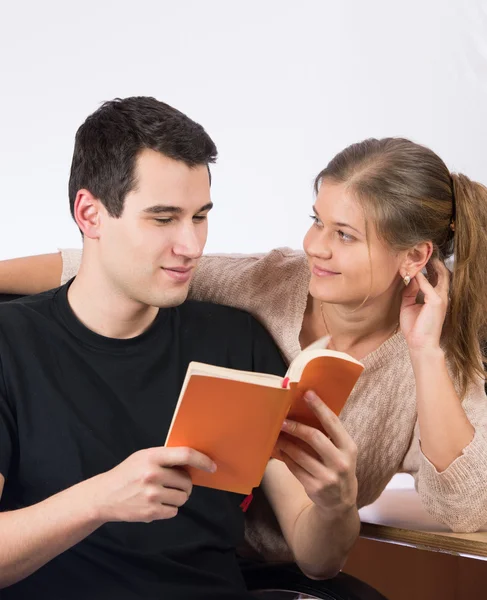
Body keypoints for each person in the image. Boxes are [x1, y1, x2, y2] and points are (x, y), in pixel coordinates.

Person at [1, 137, 487, 562]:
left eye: (344, 235)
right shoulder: (265, 283)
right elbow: (108, 263)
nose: (315, 247)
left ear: (415, 257)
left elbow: (464, 509)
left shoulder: (442, 353)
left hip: (284, 554)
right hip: (180, 537)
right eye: (316, 221)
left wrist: (425, 352)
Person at [0, 97, 361, 599]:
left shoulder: (235, 341)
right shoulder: (11, 345)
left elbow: (317, 560)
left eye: (200, 217)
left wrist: (336, 506)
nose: (192, 245)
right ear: (90, 214)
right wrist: (100, 499)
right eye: (164, 218)